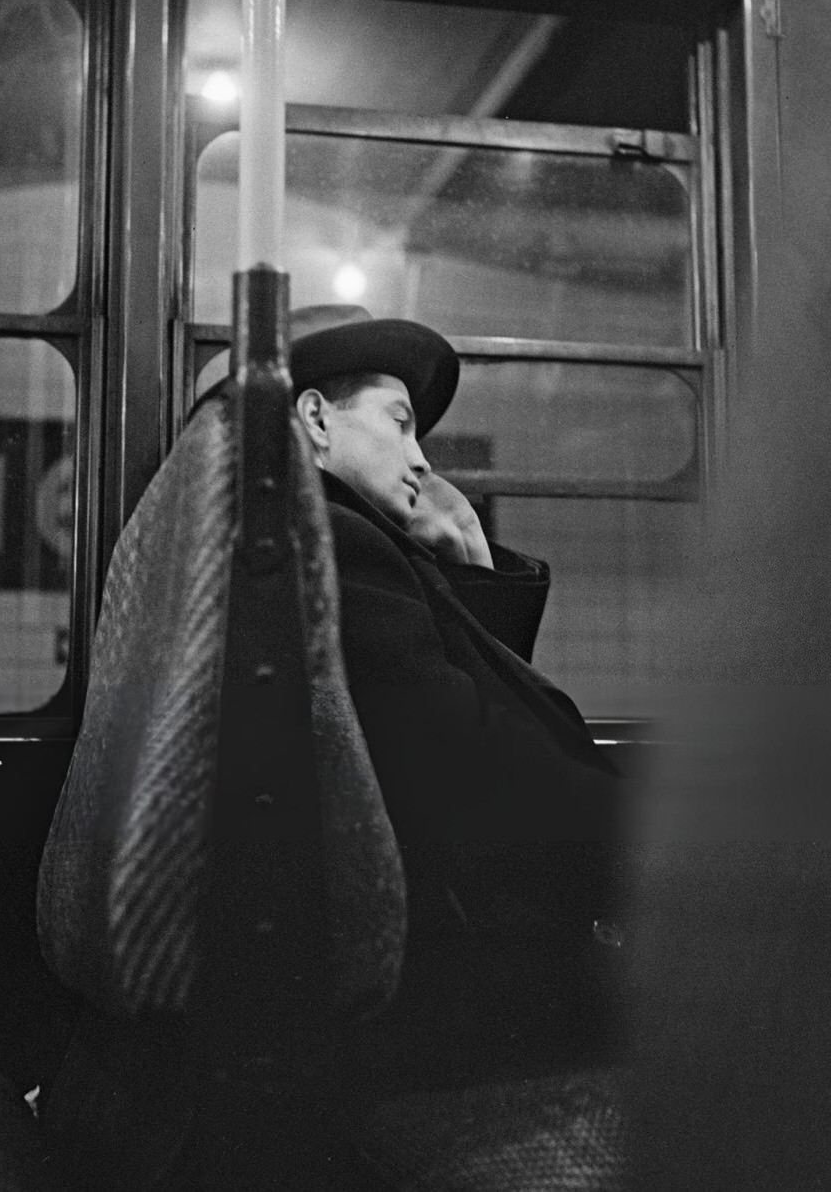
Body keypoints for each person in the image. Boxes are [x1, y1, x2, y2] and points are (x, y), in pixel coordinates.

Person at [284, 303, 627, 1091]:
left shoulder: (348, 544)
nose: (421, 463)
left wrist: (469, 564)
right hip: (437, 992)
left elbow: (470, 707)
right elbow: (476, 774)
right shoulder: (334, 542)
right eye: (400, 424)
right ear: (316, 418)